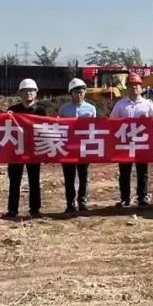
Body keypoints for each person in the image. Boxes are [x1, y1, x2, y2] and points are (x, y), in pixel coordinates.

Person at [111, 73, 153, 207]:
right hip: (125, 144)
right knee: (124, 173)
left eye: (137, 85)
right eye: (131, 85)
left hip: (142, 143)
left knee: (142, 172)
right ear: (127, 87)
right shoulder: (120, 105)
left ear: (141, 87)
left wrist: (148, 119)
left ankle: (142, 197)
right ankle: (124, 198)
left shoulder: (147, 104)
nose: (134, 88)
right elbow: (112, 122)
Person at [5, 78, 48, 219]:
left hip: (34, 151)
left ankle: (35, 209)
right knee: (14, 181)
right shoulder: (12, 110)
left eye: (31, 90)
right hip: (16, 151)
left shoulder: (41, 112)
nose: (28, 93)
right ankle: (12, 210)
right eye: (25, 91)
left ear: (36, 92)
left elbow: (46, 130)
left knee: (34, 180)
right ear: (20, 93)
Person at [60, 78, 96, 214]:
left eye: (81, 92)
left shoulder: (91, 109)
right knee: (69, 177)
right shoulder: (64, 109)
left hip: (84, 147)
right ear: (71, 93)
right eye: (76, 92)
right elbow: (60, 127)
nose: (79, 94)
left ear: (85, 92)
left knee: (83, 176)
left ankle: (82, 201)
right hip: (68, 147)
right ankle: (70, 203)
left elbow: (95, 128)